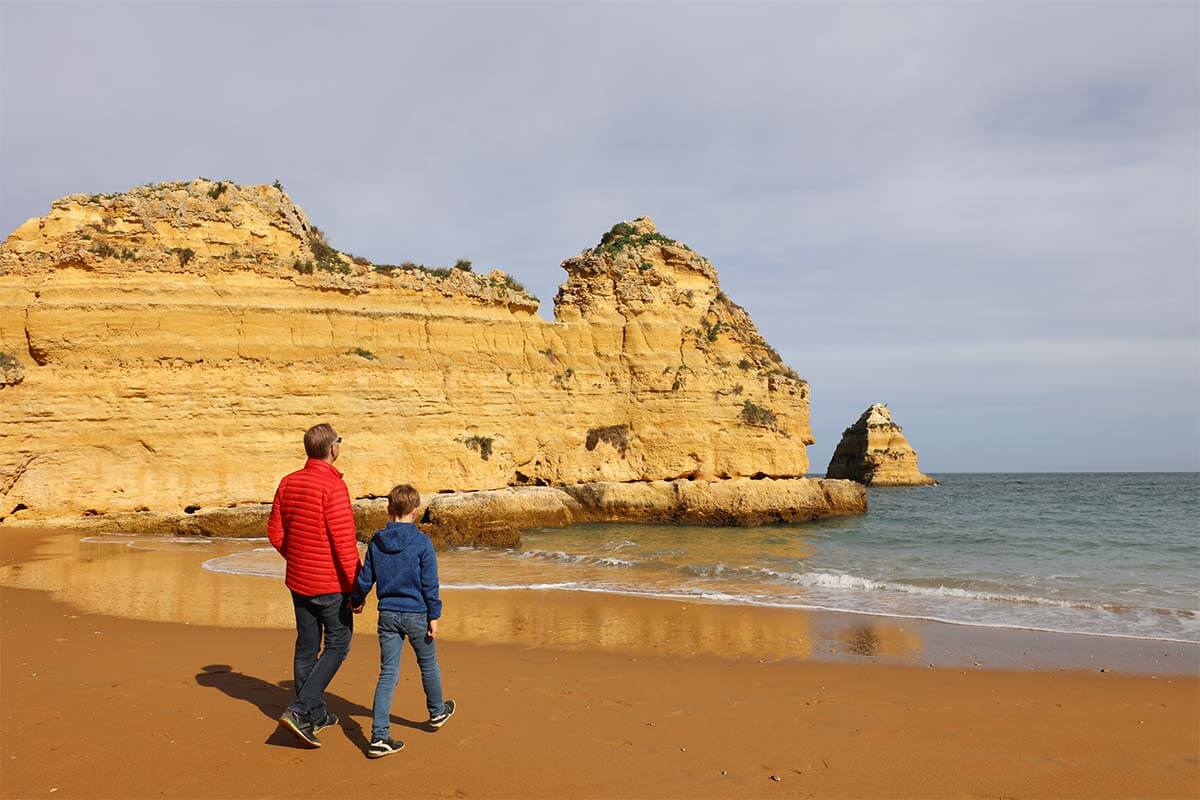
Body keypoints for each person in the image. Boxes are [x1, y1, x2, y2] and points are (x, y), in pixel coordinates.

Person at [266, 423, 362, 748]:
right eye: (340, 440)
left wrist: (296, 557)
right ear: (332, 448)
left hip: (299, 580)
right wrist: (357, 588)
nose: (340, 445)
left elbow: (275, 533)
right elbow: (344, 544)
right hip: (329, 584)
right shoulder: (333, 487)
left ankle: (316, 712)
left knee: (307, 645)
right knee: (338, 645)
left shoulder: (288, 482)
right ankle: (300, 709)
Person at [351, 483, 456, 759]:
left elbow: (365, 578)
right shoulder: (421, 542)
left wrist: (356, 599)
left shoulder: (377, 541)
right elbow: (430, 583)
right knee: (428, 664)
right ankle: (436, 712)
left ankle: (379, 736)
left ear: (389, 509)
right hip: (417, 614)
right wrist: (435, 615)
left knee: (388, 674)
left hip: (387, 615)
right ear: (416, 511)